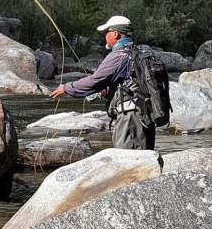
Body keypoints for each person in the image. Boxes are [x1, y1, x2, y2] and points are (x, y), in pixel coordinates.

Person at [49, 15, 155, 150]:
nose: (106, 36)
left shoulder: (118, 56)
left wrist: (66, 87)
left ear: (115, 34)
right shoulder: (140, 52)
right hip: (146, 115)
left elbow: (94, 81)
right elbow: (130, 82)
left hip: (130, 118)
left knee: (127, 162)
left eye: (107, 32)